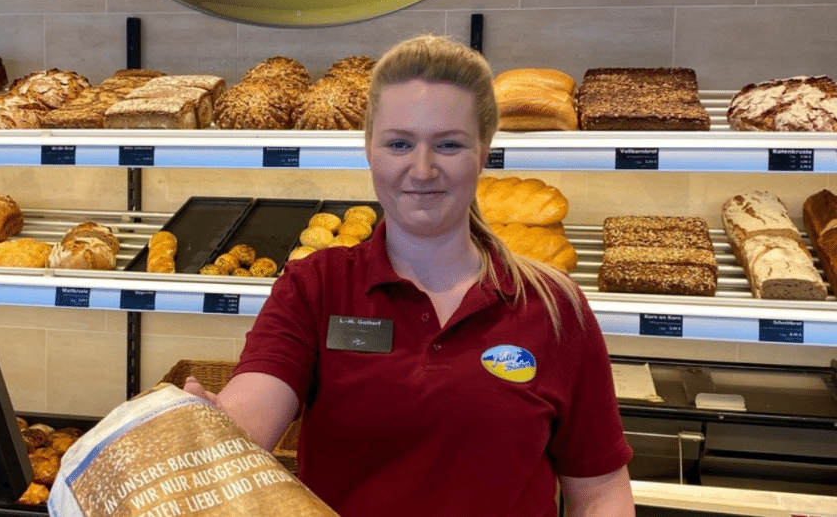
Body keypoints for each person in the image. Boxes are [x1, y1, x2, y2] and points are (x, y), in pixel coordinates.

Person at [185, 34, 635, 516]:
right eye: (400, 143)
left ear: (483, 152)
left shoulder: (554, 306)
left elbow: (600, 488)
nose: (422, 170)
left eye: (448, 145)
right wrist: (213, 428)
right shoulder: (315, 287)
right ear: (370, 150)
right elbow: (254, 409)